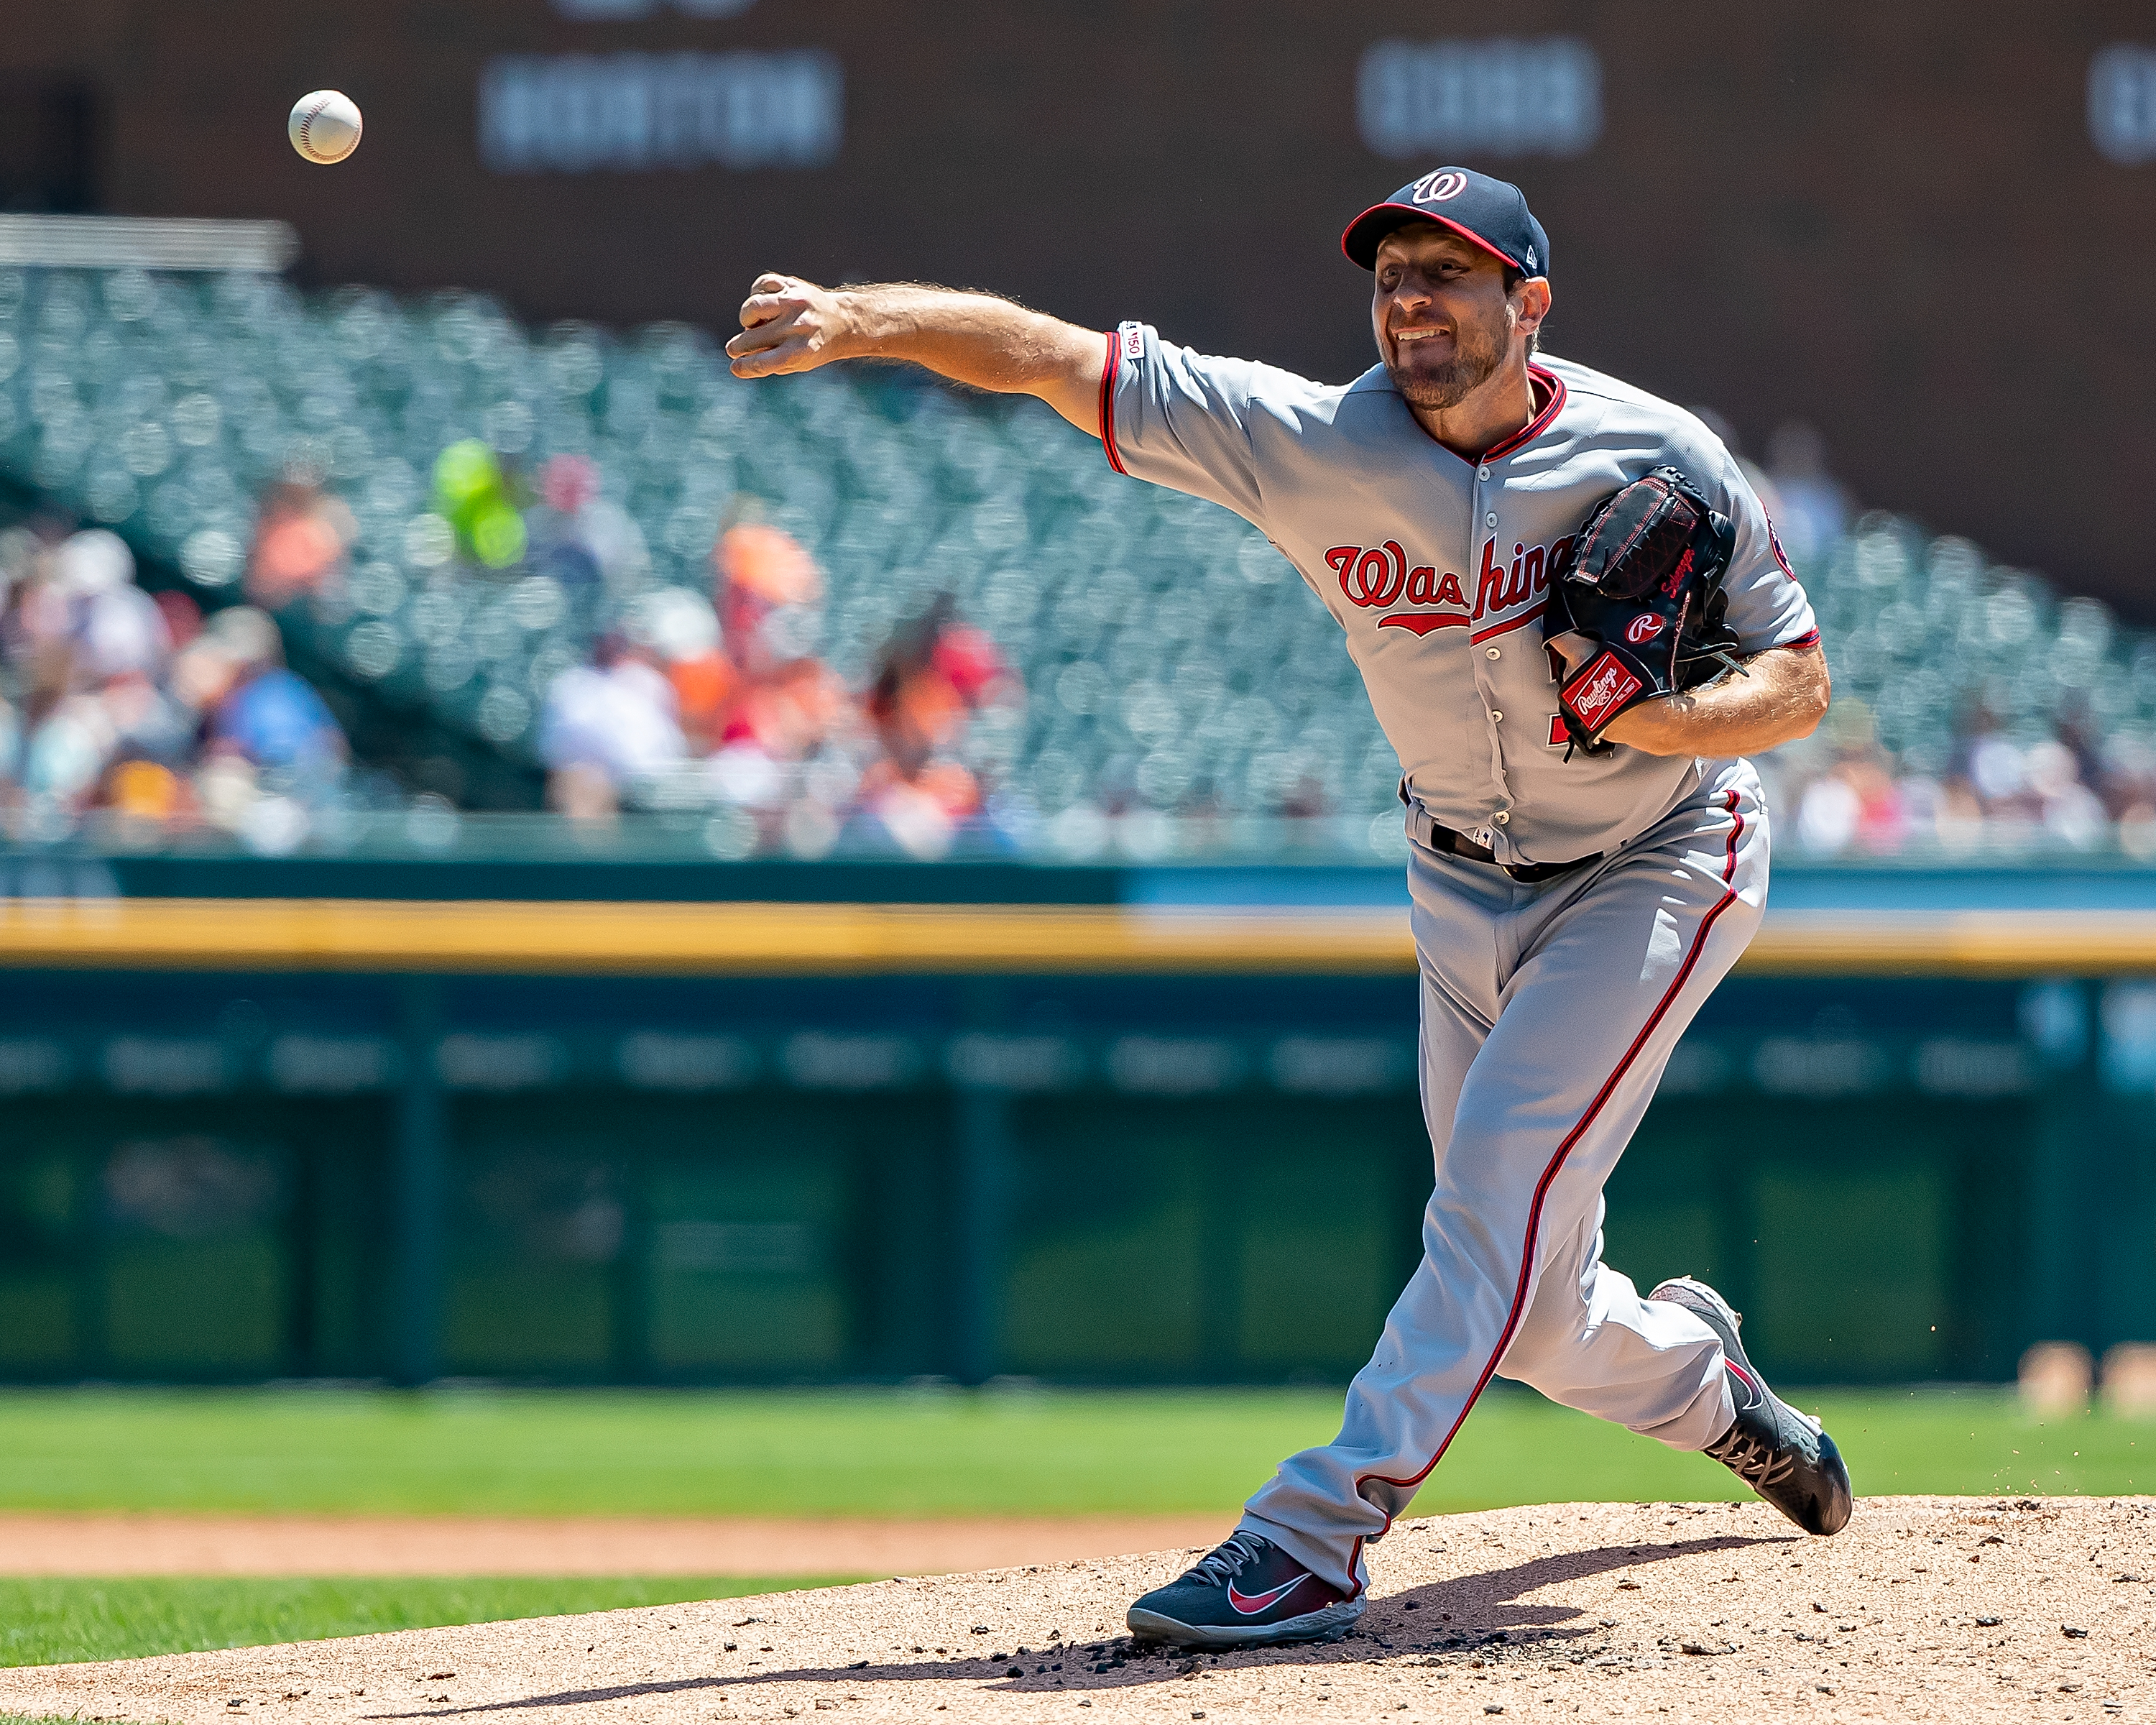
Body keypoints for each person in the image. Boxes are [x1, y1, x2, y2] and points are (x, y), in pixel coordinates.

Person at [727, 166, 1841, 1650]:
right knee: (1540, 1315)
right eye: (1393, 274)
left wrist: (1665, 725)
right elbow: (1061, 358)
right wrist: (857, 318)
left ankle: (1313, 1536)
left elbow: (1799, 678)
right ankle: (1717, 1392)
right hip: (1458, 877)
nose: (1414, 300)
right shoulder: (1316, 441)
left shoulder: (1663, 450)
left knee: (1489, 1201)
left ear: (1532, 303)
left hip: (1660, 859)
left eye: (1451, 271)